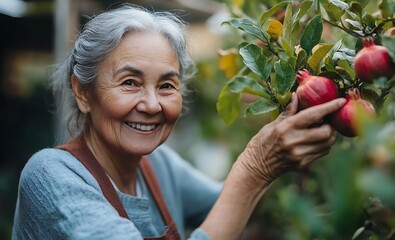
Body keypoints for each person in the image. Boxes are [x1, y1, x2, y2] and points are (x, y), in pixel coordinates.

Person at [12, 4, 346, 240]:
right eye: (129, 82)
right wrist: (257, 165)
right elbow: (246, 184)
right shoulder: (51, 176)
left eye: (167, 85)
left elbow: (228, 204)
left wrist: (279, 149)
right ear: (83, 93)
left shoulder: (156, 166)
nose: (152, 104)